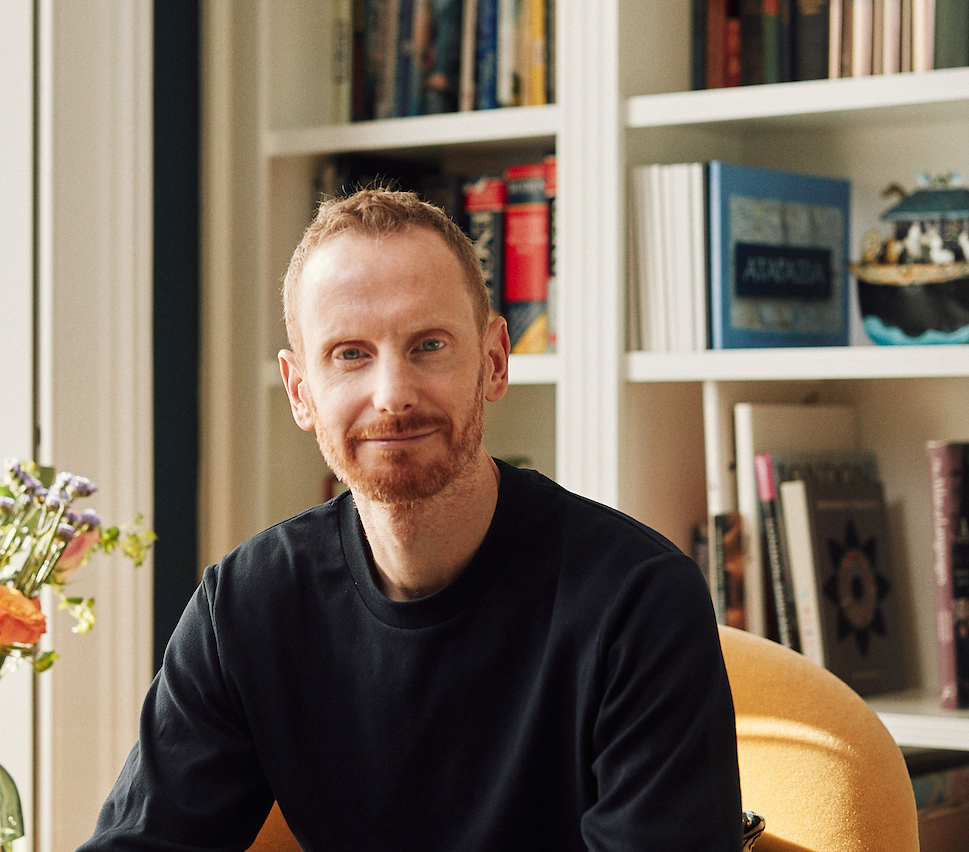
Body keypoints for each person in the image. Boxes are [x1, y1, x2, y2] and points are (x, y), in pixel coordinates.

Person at [78, 189, 743, 851]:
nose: (392, 394)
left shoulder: (640, 603)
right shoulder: (246, 607)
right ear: (300, 391)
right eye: (349, 354)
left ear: (493, 361)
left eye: (427, 345)